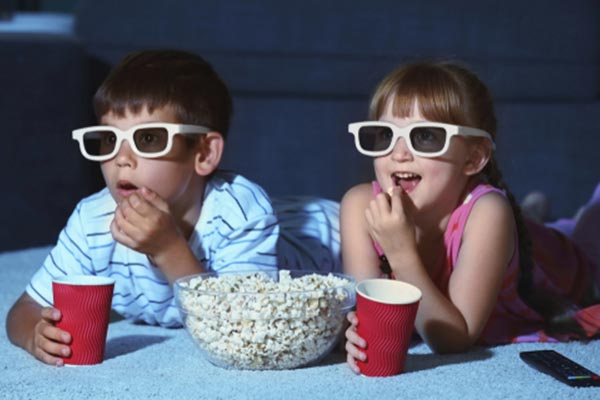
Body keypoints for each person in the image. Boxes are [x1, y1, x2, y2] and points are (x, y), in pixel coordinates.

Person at [6, 49, 340, 366]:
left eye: (148, 138)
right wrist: (35, 334)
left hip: (322, 234)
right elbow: (23, 309)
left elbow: (241, 331)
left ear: (204, 154)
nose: (121, 158)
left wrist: (168, 249)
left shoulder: (240, 212)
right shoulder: (92, 220)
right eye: (109, 139)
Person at [341, 61, 600, 373]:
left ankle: (555, 219)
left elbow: (452, 340)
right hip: (495, 235)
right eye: (385, 134)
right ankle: (533, 214)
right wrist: (356, 331)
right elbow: (372, 318)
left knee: (589, 232)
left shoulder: (489, 212)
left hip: (558, 263)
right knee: (530, 225)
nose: (399, 154)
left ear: (474, 158)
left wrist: (399, 251)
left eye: (425, 136)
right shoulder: (359, 205)